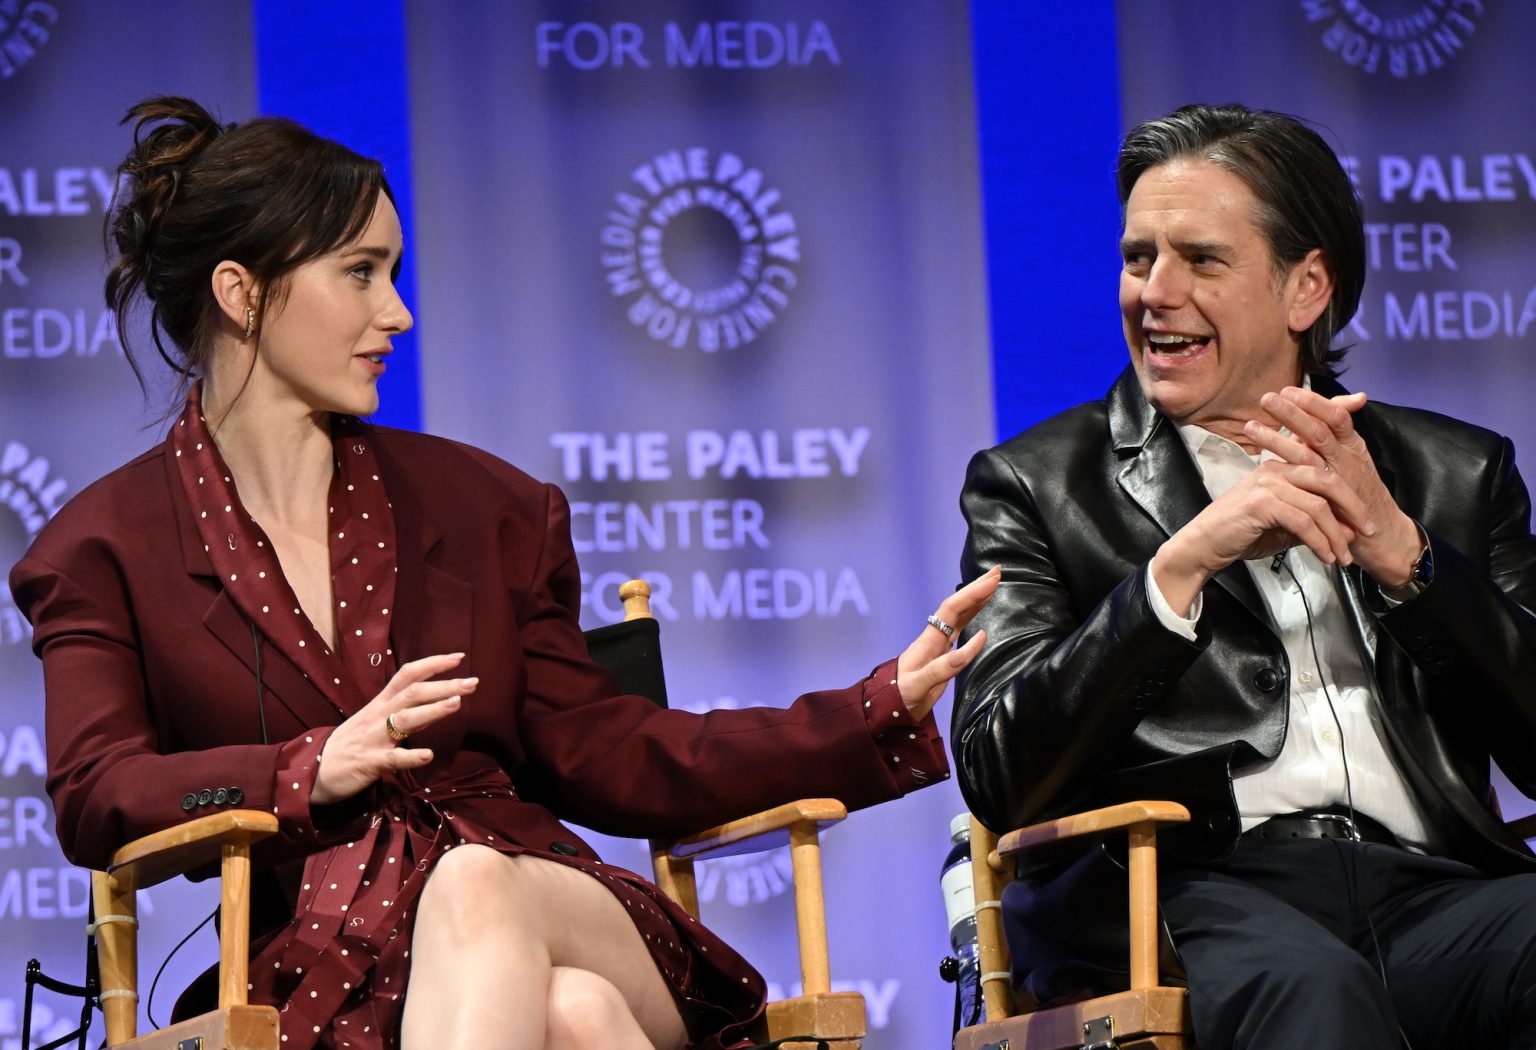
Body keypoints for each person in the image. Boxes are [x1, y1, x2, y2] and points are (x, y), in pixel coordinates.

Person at [7, 96, 999, 1050]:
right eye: (361, 273)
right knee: (576, 1022)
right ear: (243, 292)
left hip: (547, 897)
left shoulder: (488, 506)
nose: (397, 313)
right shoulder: (102, 549)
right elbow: (101, 793)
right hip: (313, 957)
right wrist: (309, 769)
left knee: (478, 885)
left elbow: (608, 750)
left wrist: (867, 710)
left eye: (394, 274)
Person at [953, 102, 1536, 1049]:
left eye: (1203, 259)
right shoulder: (1037, 483)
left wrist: (1407, 559)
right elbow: (997, 767)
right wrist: (1177, 571)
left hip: (1431, 889)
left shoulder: (1454, 472)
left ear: (1307, 290)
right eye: (1139, 258)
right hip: (1185, 896)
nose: (1155, 291)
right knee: (1315, 996)